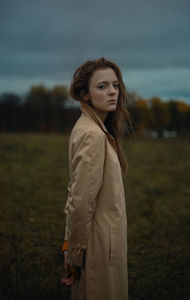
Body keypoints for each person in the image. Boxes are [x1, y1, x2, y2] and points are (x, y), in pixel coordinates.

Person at [61, 57, 133, 300]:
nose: (112, 92)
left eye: (115, 85)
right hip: (98, 248)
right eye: (102, 86)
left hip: (102, 243)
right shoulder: (92, 135)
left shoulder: (91, 127)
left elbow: (76, 194)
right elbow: (81, 200)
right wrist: (74, 254)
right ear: (85, 94)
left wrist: (69, 242)